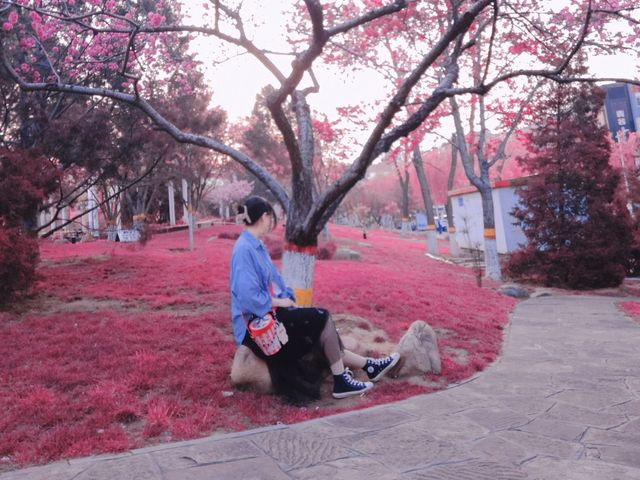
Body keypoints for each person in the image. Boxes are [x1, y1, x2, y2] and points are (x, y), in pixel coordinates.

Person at [230, 196, 399, 402]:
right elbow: (248, 298)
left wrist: (288, 298)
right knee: (321, 317)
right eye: (270, 217)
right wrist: (282, 302)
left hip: (270, 314)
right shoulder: (244, 249)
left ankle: (369, 366)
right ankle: (342, 381)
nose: (271, 222)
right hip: (256, 326)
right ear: (264, 216)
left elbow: (275, 281)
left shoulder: (255, 245)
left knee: (318, 329)